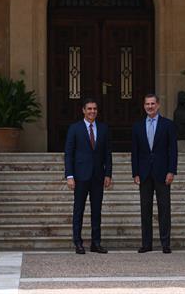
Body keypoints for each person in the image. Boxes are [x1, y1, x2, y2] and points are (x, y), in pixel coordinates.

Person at [64, 98, 112, 254]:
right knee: (79, 210)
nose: (92, 111)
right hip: (80, 176)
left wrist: (108, 174)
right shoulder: (74, 128)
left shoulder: (103, 129)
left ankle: (95, 243)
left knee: (96, 210)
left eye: (95, 109)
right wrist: (69, 175)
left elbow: (107, 154)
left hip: (98, 176)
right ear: (83, 110)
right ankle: (78, 242)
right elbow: (69, 153)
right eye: (89, 109)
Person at [131, 94, 178, 253]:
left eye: (152, 104)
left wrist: (171, 171)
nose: (150, 107)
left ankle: (165, 243)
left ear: (158, 105)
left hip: (162, 172)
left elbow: (173, 150)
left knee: (164, 208)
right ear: (144, 106)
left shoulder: (168, 125)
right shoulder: (137, 126)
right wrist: (135, 172)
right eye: (147, 104)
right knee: (145, 209)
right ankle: (147, 244)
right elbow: (135, 152)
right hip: (144, 173)